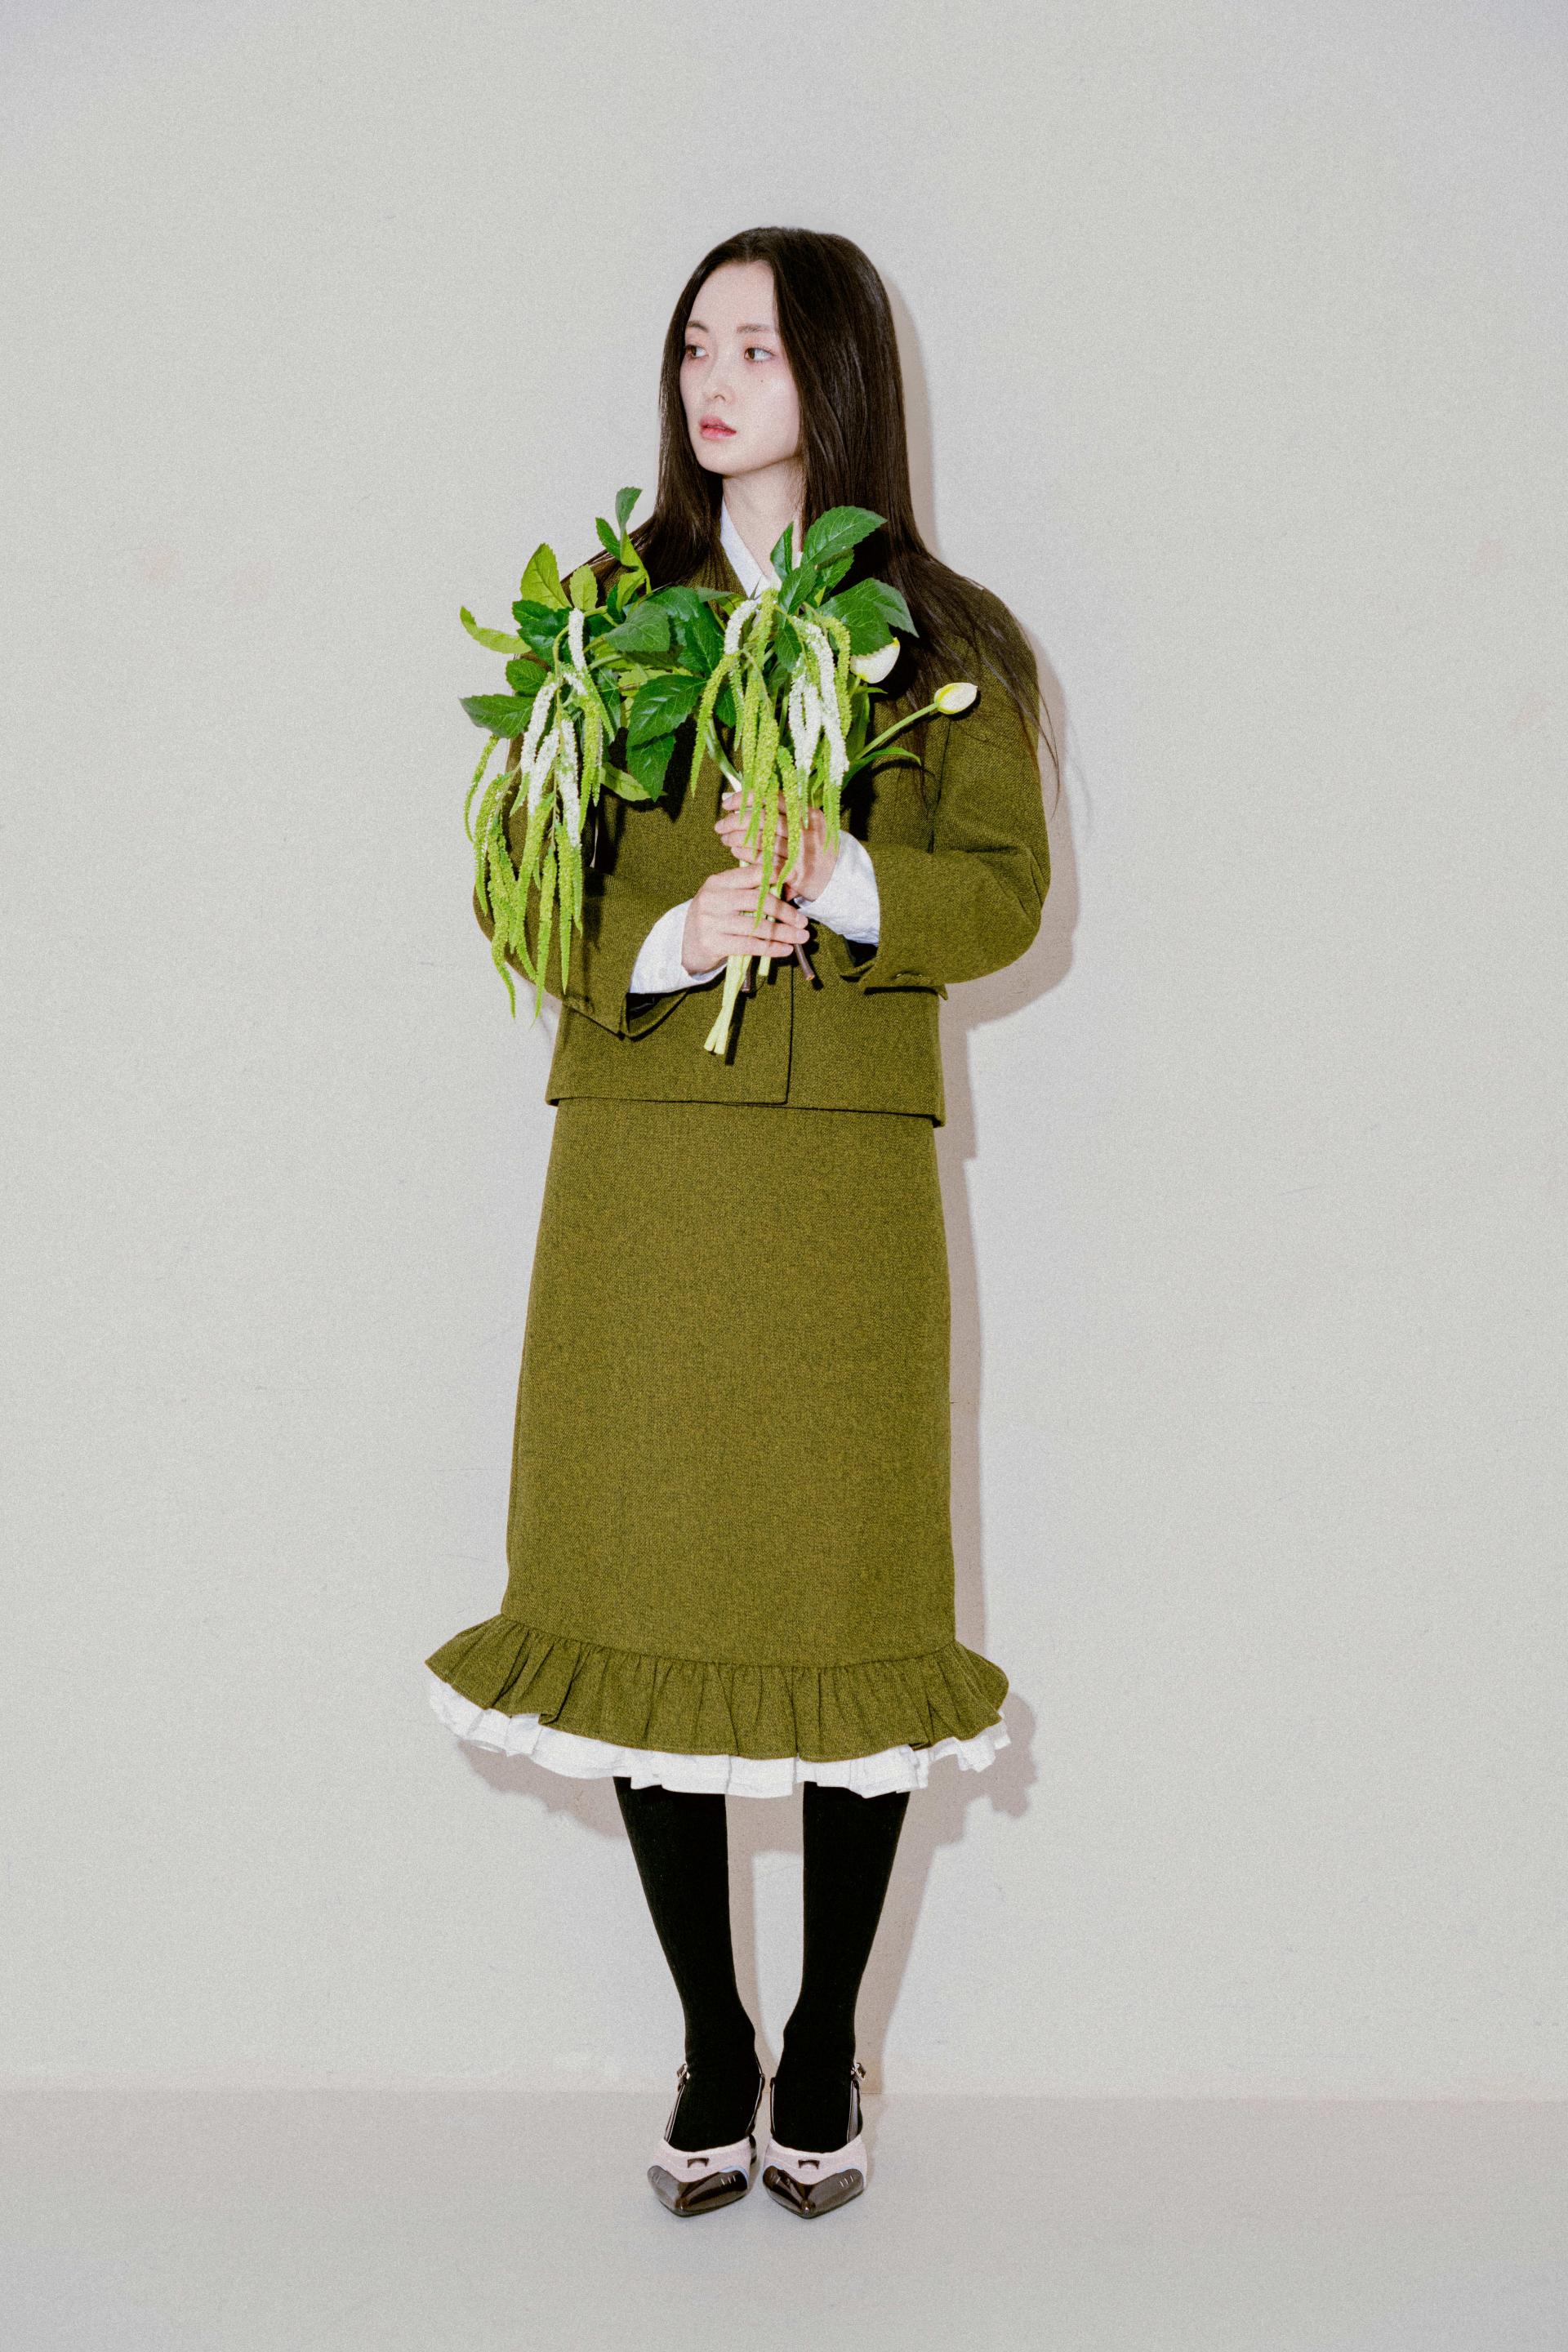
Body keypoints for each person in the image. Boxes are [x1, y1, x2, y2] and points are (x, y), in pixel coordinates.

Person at [425, 225, 1054, 2220]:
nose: (714, 381)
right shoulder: (612, 623)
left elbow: (1002, 892)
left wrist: (848, 879)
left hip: (845, 1179)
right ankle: (711, 2032)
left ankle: (823, 2038)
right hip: (645, 1173)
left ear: (837, 376)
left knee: (849, 1597)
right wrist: (671, 934)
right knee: (648, 1583)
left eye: (759, 350)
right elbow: (522, 883)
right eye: (697, 344)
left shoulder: (950, 640)